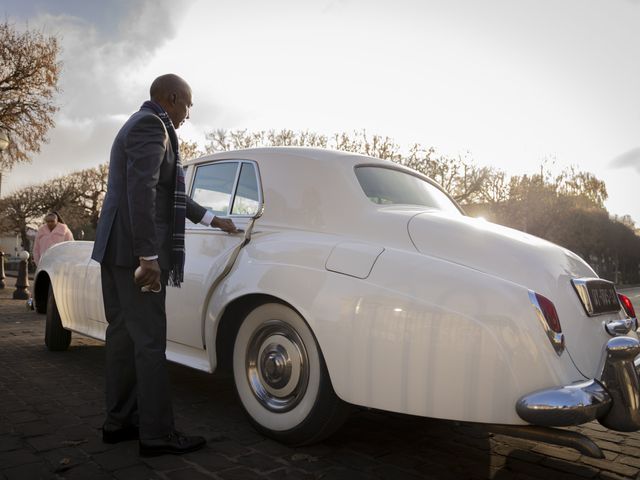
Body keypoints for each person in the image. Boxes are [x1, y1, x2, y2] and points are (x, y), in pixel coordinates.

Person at [91, 74, 237, 457]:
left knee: (123, 337)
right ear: (172, 98)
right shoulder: (151, 126)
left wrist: (212, 219)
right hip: (134, 252)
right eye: (188, 104)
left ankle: (118, 423)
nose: (188, 114)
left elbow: (162, 191)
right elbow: (142, 190)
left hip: (115, 248)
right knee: (150, 342)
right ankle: (156, 434)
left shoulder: (139, 125)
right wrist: (148, 256)